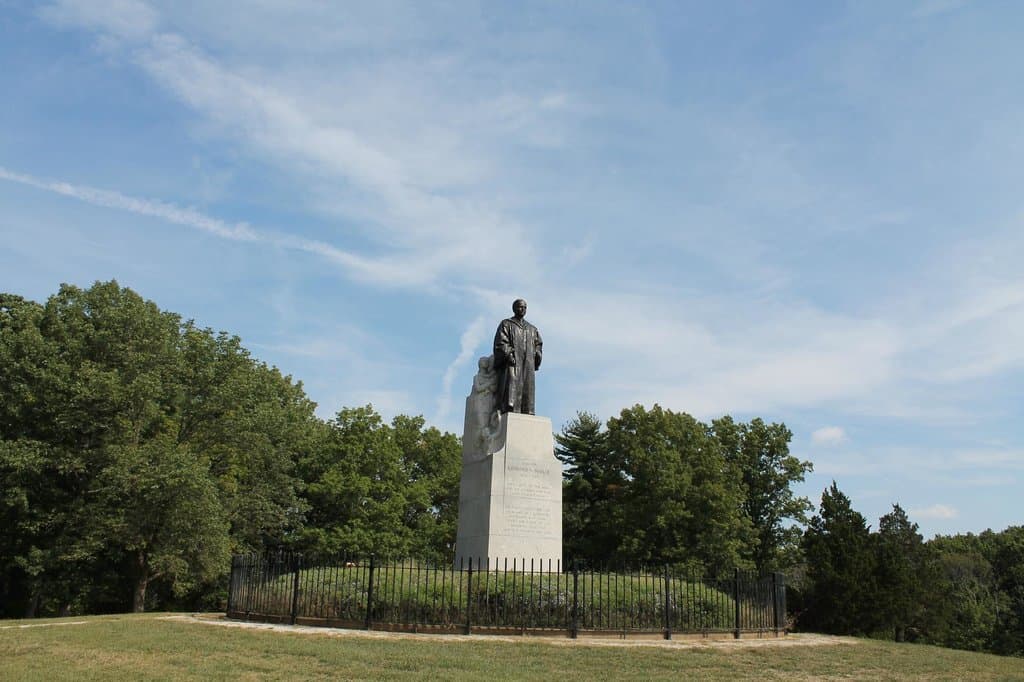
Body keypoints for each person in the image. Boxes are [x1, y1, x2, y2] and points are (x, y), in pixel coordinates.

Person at [492, 299, 543, 414]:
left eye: (525, 307)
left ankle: (527, 410)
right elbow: (501, 342)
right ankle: (509, 408)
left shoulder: (532, 329)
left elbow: (538, 344)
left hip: (528, 364)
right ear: (514, 308)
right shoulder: (506, 324)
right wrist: (509, 354)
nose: (522, 309)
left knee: (528, 389)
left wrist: (537, 353)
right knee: (511, 387)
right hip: (513, 363)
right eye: (520, 307)